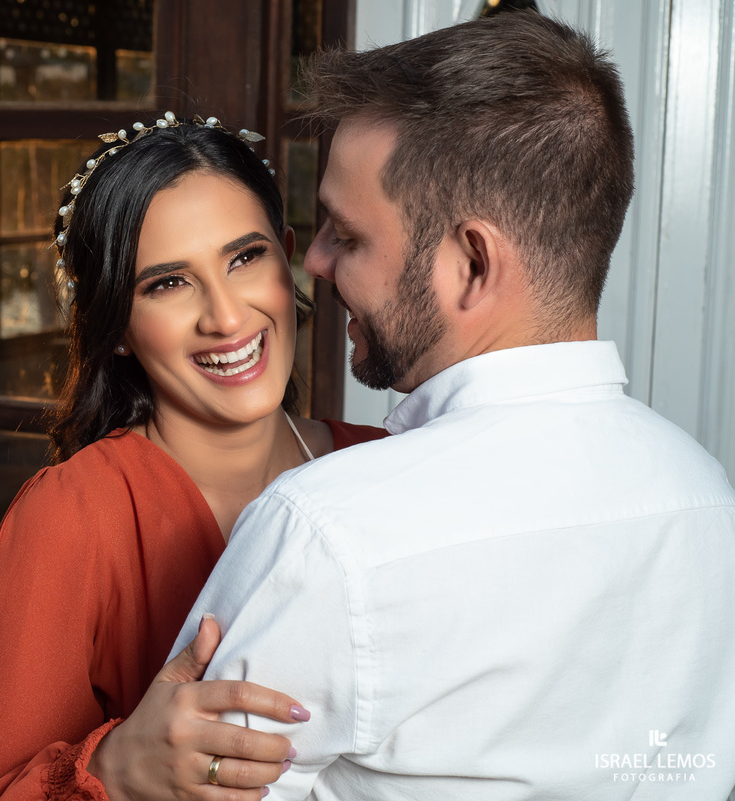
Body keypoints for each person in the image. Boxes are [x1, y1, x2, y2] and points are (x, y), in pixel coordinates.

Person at [172, 11, 735, 799]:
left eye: (349, 235)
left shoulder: (329, 532)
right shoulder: (709, 499)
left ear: (472, 263)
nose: (318, 263)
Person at [0, 114, 387, 801]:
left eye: (245, 258)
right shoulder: (72, 517)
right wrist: (115, 770)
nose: (227, 317)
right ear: (116, 324)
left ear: (288, 256)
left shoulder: (382, 466)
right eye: (168, 283)